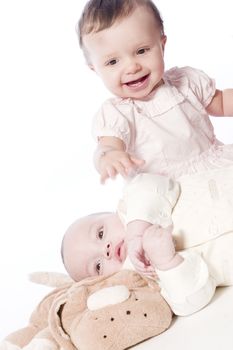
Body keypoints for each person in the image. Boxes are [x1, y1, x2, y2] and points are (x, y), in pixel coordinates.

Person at [77, 0, 233, 183]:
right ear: (95, 69)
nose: (132, 67)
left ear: (162, 46)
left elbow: (222, 103)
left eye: (142, 51)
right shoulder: (117, 114)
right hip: (163, 188)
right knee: (147, 205)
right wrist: (108, 156)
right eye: (112, 62)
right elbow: (107, 146)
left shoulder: (185, 83)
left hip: (212, 170)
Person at [62, 165, 233, 316]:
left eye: (100, 234)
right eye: (98, 266)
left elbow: (154, 184)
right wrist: (167, 262)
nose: (105, 249)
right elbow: (190, 302)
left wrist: (137, 230)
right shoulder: (148, 280)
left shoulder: (134, 203)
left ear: (111, 213)